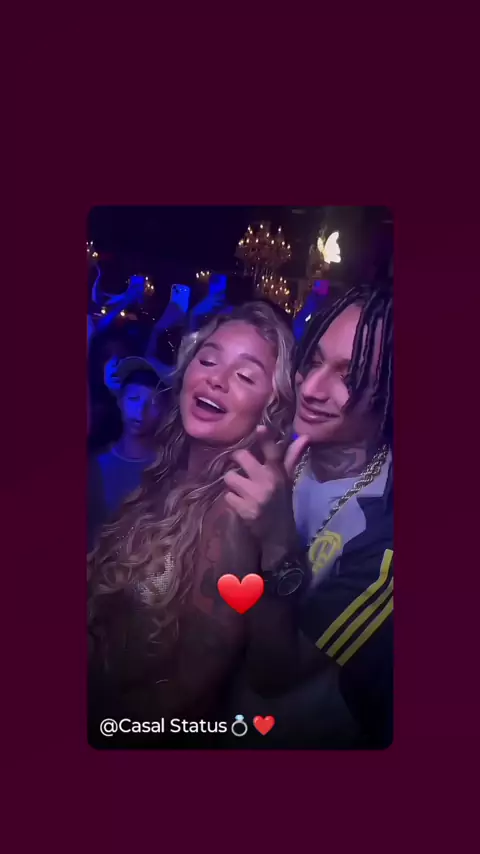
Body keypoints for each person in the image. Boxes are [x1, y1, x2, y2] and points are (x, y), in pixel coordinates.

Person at [87, 302, 294, 746]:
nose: (216, 379)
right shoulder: (169, 471)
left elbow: (187, 695)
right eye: (209, 359)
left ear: (271, 408)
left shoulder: (232, 513)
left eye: (245, 376)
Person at [224, 285, 393, 748]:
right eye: (314, 361)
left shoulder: (386, 529)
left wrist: (278, 540)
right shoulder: (266, 447)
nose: (312, 389)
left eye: (349, 376)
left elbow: (274, 674)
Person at [88, 356, 172, 550]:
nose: (141, 411)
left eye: (153, 403)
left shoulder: (167, 469)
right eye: (134, 399)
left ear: (165, 410)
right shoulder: (95, 465)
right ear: (120, 401)